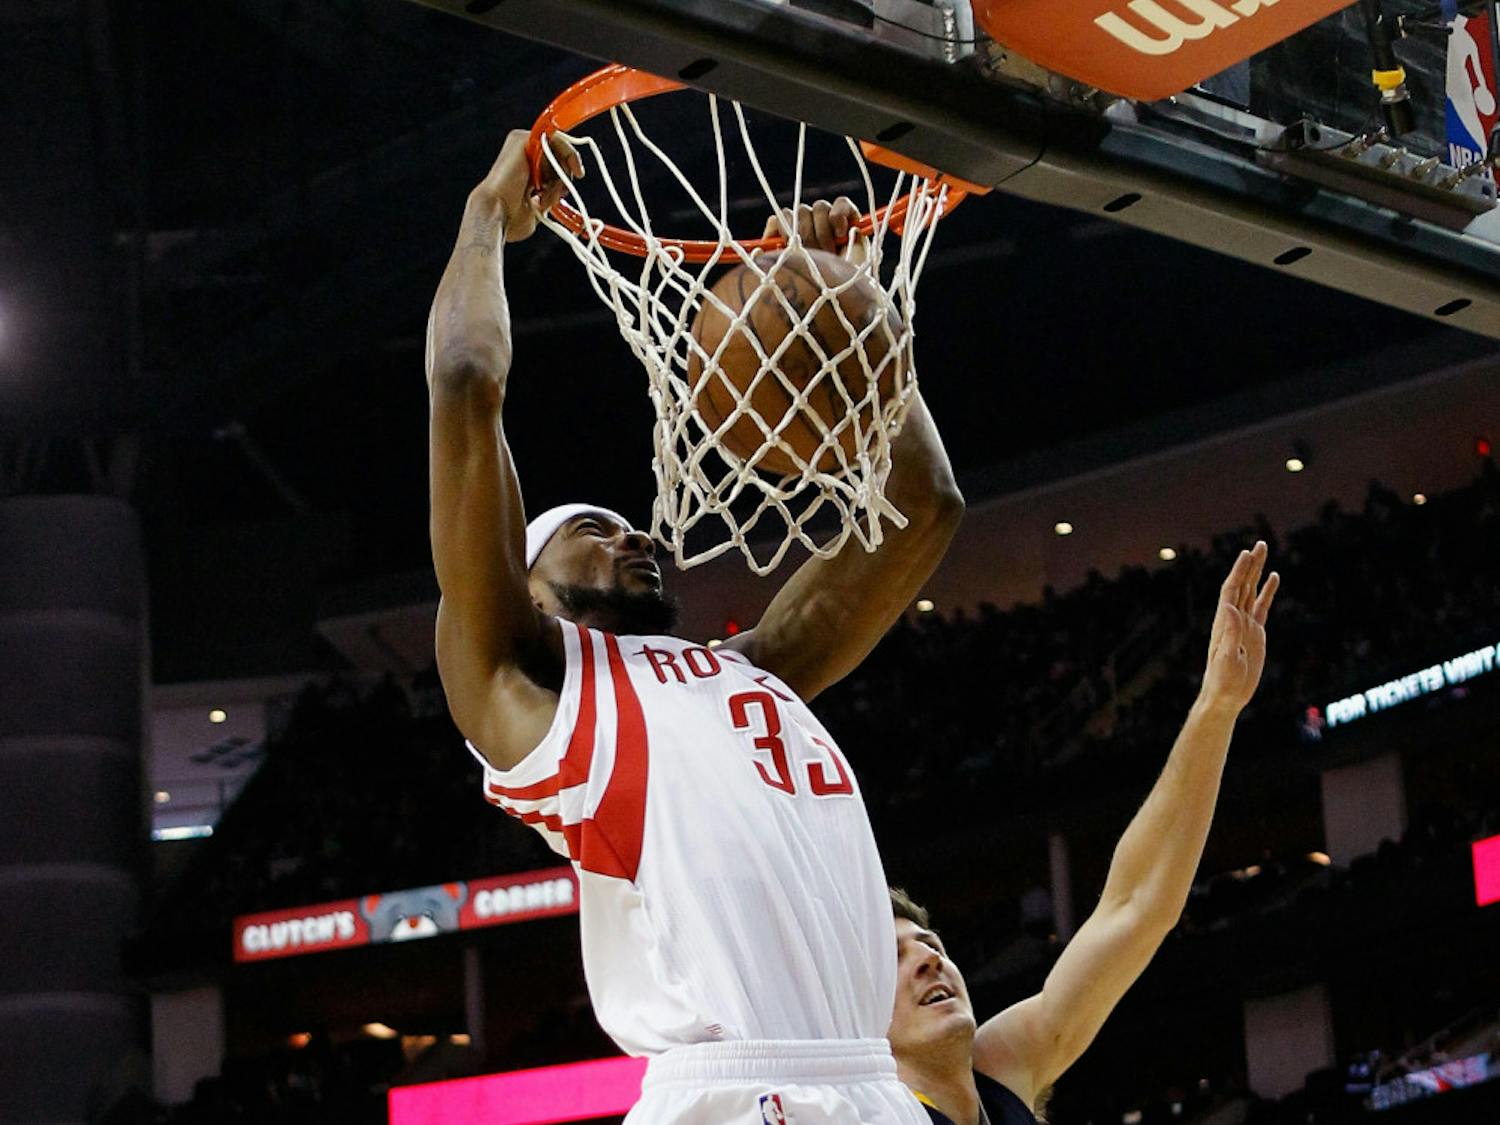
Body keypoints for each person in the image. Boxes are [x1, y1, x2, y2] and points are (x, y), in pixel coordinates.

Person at [426, 128, 964, 1124]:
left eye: (628, 522)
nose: (631, 532)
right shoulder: (530, 698)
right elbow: (465, 384)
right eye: (590, 531)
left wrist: (851, 320)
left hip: (866, 1086)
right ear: (528, 589)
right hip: (733, 1095)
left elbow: (925, 507)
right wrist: (485, 222)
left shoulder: (755, 671)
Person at [887, 543, 1280, 1124]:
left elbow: (1136, 907)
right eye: (895, 958)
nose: (927, 959)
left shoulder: (1001, 1068)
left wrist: (1215, 709)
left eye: (932, 945)